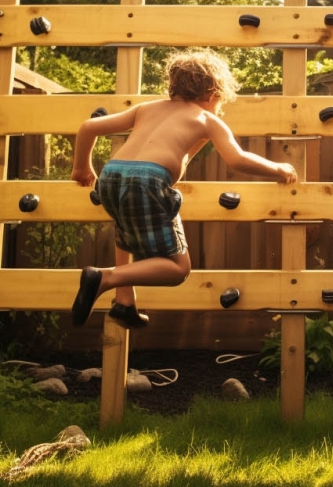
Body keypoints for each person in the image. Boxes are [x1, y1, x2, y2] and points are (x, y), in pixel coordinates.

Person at [69, 50, 298, 329]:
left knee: (126, 230)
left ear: (173, 85)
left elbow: (88, 127)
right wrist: (278, 169)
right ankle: (105, 278)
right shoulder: (206, 120)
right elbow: (237, 159)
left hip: (111, 175)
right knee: (178, 269)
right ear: (214, 93)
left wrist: (81, 168)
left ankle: (124, 301)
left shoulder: (147, 108)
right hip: (149, 181)